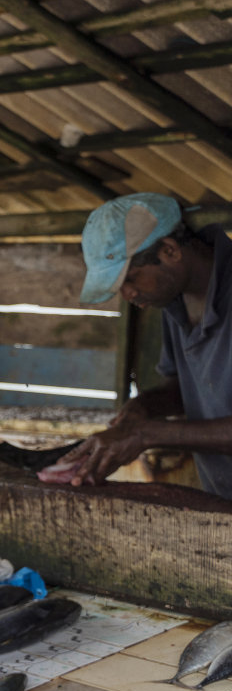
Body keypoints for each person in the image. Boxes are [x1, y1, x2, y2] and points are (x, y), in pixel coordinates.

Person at [44, 193, 232, 492]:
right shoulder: (173, 301)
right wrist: (142, 408)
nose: (128, 295)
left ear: (169, 251)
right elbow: (188, 391)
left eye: (131, 279)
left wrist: (147, 435)